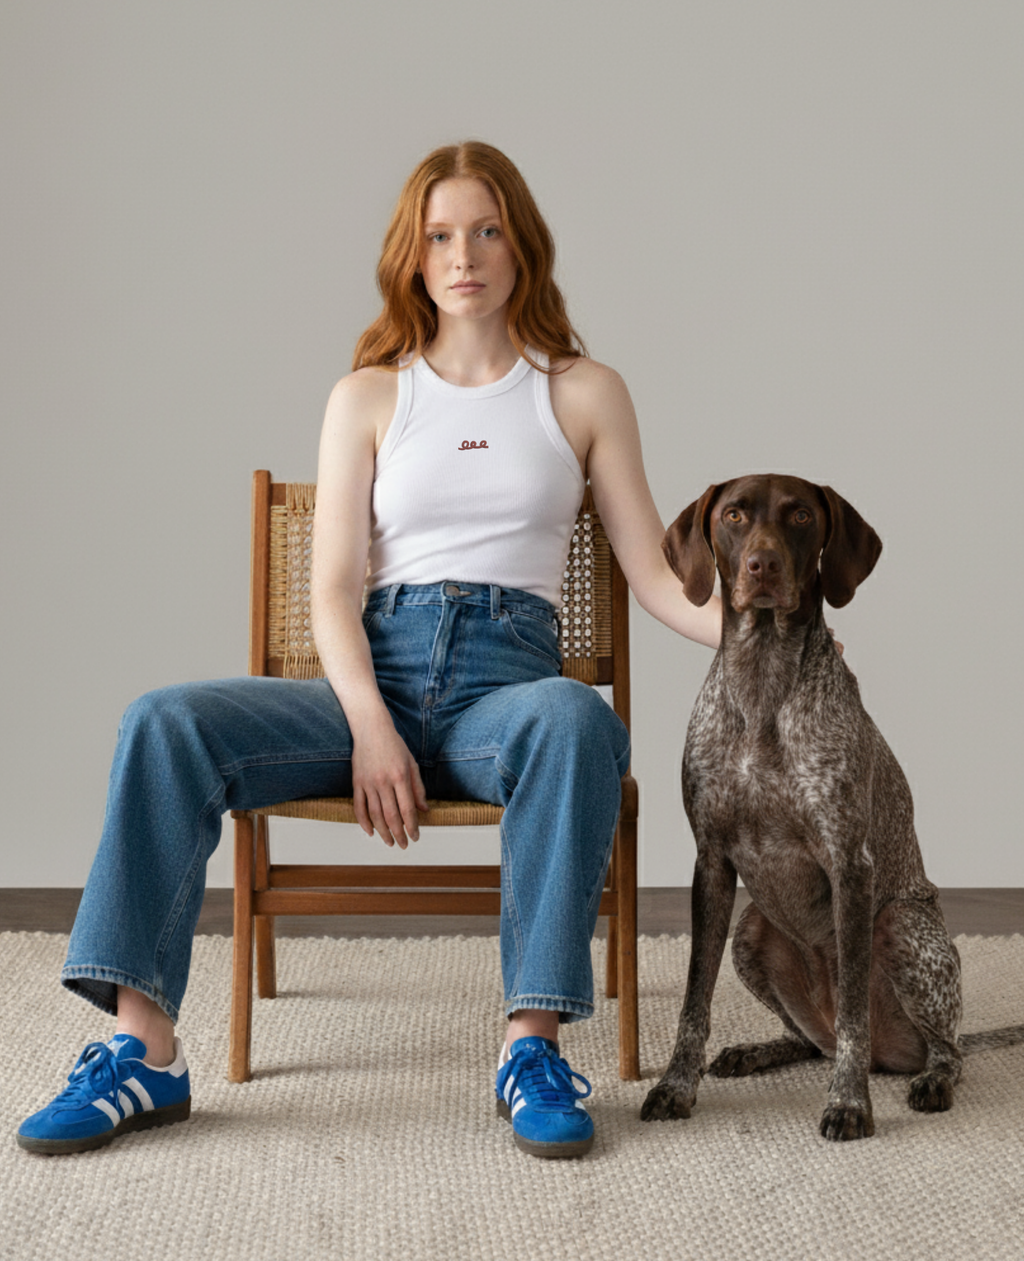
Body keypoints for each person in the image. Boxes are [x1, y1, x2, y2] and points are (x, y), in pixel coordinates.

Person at [17, 141, 721, 1161]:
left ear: (521, 243)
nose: (463, 255)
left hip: (503, 695)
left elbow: (654, 574)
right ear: (412, 255)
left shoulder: (584, 391)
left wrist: (770, 635)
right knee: (163, 721)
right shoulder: (367, 395)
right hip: (370, 673)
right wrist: (372, 727)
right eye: (440, 236)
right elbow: (334, 593)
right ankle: (144, 1051)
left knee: (578, 718)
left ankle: (530, 1049)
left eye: (486, 230)